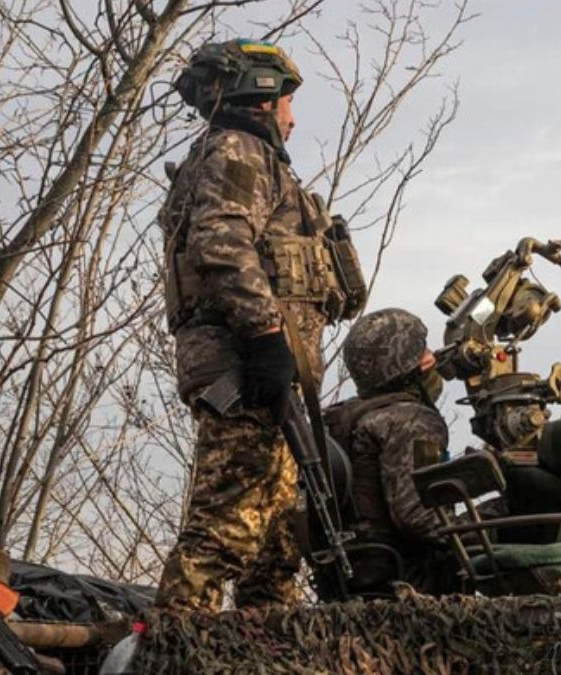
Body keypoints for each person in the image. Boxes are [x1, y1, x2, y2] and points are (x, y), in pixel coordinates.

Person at [154, 39, 365, 612]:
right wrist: (268, 338)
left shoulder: (251, 160)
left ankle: (260, 652)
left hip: (272, 381)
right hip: (245, 376)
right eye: (289, 104)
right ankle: (173, 647)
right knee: (223, 531)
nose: (293, 121)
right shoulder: (237, 151)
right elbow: (221, 243)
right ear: (261, 97)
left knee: (276, 548)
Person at [324, 308, 452, 595]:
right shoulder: (410, 420)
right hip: (407, 581)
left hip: (351, 577)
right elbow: (416, 519)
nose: (431, 356)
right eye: (422, 350)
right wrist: (487, 519)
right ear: (405, 365)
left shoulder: (341, 418)